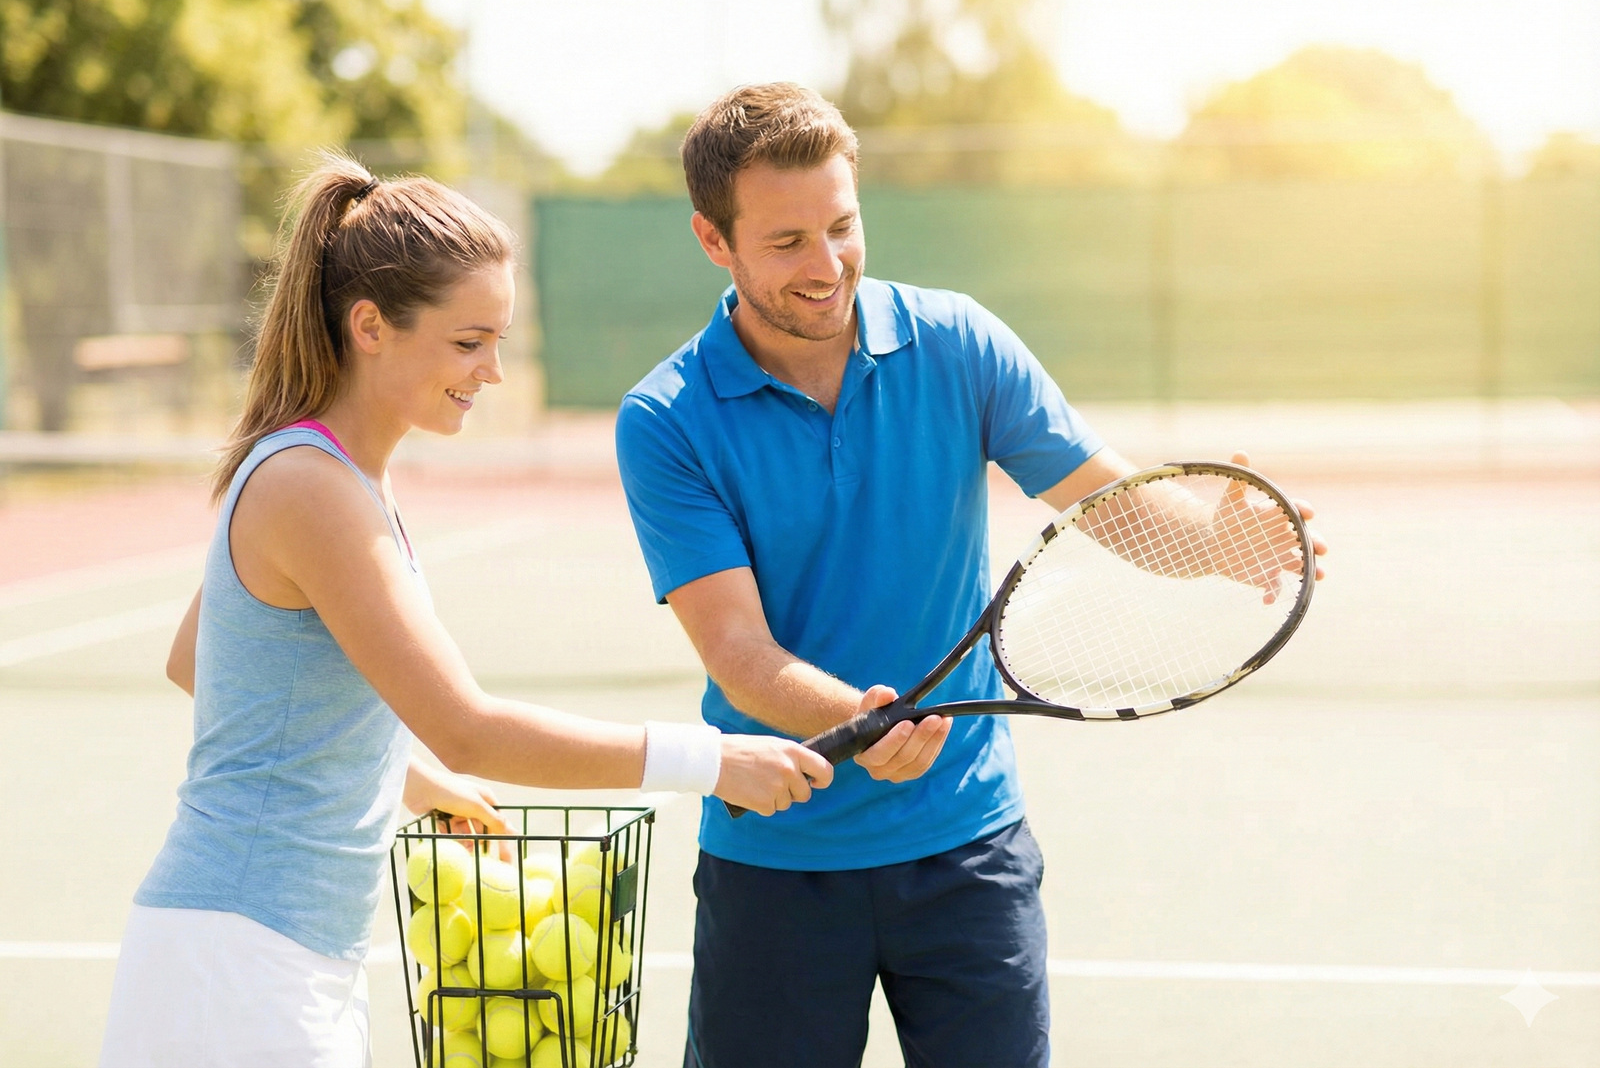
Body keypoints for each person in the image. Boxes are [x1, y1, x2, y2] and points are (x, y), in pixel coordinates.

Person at [614, 84, 1328, 1068]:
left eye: (842, 226)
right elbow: (737, 648)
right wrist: (859, 719)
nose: (826, 265)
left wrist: (1210, 543)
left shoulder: (958, 343)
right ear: (713, 239)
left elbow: (1102, 497)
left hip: (966, 850)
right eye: (786, 242)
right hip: (775, 859)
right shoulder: (666, 419)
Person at [98, 156, 834, 1068]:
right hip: (237, 969)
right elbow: (468, 728)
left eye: (498, 340)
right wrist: (712, 759)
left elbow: (197, 658)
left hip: (270, 957)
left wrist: (406, 777)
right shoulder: (311, 487)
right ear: (371, 325)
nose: (492, 370)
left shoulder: (337, 475)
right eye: (467, 342)